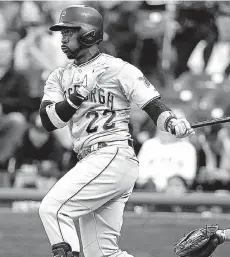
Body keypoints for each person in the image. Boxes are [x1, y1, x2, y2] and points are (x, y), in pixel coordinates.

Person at [37, 5, 195, 257]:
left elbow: (153, 105)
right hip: (93, 161)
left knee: (53, 209)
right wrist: (76, 96)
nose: (63, 38)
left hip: (111, 154)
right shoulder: (58, 76)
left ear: (89, 34)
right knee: (102, 253)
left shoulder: (118, 69)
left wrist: (173, 123)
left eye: (69, 32)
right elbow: (49, 121)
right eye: (62, 33)